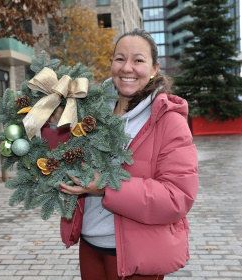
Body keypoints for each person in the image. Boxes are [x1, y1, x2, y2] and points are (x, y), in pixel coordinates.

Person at [42, 28, 199, 279]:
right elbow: (64, 151)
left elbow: (177, 196)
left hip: (138, 254)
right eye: (120, 59)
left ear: (154, 68)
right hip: (90, 245)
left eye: (138, 60)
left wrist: (106, 186)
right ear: (112, 64)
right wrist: (37, 121)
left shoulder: (169, 122)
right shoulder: (92, 110)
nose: (127, 68)